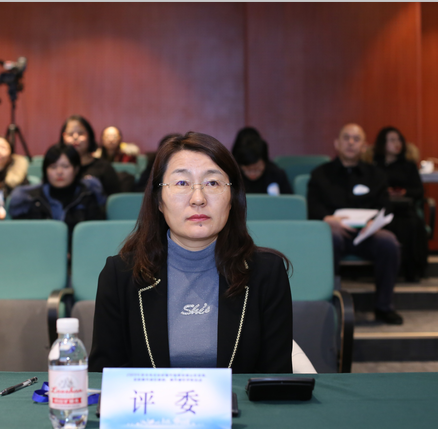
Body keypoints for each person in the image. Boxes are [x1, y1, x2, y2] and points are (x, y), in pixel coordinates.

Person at [89, 132, 295, 373]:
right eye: (182, 183)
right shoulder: (120, 275)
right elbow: (105, 378)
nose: (198, 199)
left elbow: (275, 382)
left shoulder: (267, 274)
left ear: (232, 198)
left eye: (213, 183)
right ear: (159, 200)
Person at [308, 123, 403, 325]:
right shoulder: (320, 174)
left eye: (356, 139)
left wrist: (374, 223)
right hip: (334, 232)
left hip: (368, 234)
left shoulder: (376, 175)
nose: (351, 142)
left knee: (389, 243)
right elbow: (312, 207)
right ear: (337, 143)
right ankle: (328, 305)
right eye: (346, 138)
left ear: (364, 146)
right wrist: (327, 219)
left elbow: (385, 206)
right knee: (329, 240)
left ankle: (384, 307)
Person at [9, 143, 105, 238]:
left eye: (65, 166)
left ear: (76, 169)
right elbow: (22, 236)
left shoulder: (87, 195)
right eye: (53, 167)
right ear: (45, 170)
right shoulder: (31, 198)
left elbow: (96, 234)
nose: (59, 172)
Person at [373, 126, 429, 282]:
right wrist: (386, 192)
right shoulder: (374, 166)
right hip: (383, 209)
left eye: (399, 140)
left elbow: (419, 191)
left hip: (404, 209)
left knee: (412, 224)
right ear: (383, 144)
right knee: (386, 224)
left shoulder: (408, 165)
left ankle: (411, 271)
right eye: (392, 140)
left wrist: (404, 192)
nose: (397, 143)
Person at [59, 115, 121, 196]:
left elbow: (115, 201)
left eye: (81, 133)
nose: (75, 137)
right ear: (63, 137)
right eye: (70, 134)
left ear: (90, 136)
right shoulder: (57, 168)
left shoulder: (104, 167)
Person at [231, 127, 293, 195]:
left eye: (257, 169)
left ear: (265, 161)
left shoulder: (276, 174)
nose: (252, 174)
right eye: (247, 169)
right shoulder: (232, 176)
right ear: (239, 165)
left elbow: (290, 200)